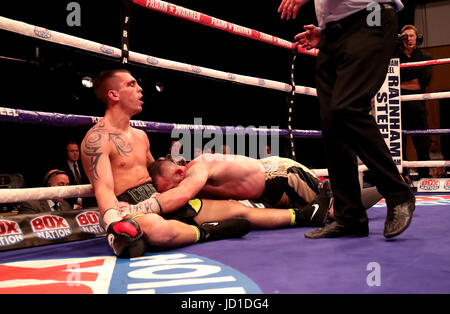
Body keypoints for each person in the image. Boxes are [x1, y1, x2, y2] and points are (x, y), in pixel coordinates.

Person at [80, 69, 281, 258]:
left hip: (161, 199)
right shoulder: (97, 139)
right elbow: (103, 189)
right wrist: (113, 224)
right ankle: (208, 231)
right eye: (131, 84)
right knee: (159, 230)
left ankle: (301, 215)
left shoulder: (140, 136)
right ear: (114, 95)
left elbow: (155, 173)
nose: (139, 88)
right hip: (131, 207)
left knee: (237, 209)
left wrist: (182, 176)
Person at [277, 0, 415, 238]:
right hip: (334, 33)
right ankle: (349, 216)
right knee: (332, 121)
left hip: (371, 15)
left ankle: (398, 193)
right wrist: (328, 29)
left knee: (348, 107)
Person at [149, 154, 382, 222]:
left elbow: (183, 193)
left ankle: (389, 187)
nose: (170, 193)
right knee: (323, 213)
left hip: (283, 175)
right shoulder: (191, 176)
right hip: (271, 191)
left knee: (335, 211)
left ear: (178, 173)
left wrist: (139, 208)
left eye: (168, 188)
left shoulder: (197, 169)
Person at [399, 24, 433, 179]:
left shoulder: (425, 57)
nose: (409, 39)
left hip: (418, 107)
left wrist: (399, 84)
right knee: (399, 144)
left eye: (411, 35)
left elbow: (421, 83)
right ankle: (403, 178)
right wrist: (409, 82)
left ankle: (424, 177)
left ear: (417, 37)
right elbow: (389, 80)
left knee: (422, 144)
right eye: (405, 36)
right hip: (398, 108)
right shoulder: (394, 57)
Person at [59, 140, 94, 209]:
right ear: (67, 153)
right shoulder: (61, 167)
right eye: (72, 151)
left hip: (87, 202)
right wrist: (76, 202)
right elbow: (64, 190)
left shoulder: (85, 164)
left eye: (77, 151)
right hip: (70, 203)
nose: (75, 153)